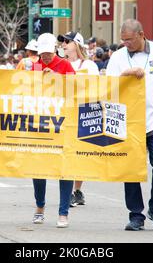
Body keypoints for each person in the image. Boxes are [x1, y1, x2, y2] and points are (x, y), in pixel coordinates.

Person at [106, 19, 153, 231]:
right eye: (123, 40)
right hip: (128, 121)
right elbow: (109, 86)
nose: (126, 44)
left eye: (129, 40)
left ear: (141, 34)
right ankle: (136, 215)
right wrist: (126, 74)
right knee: (131, 169)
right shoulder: (118, 57)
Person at [31, 32, 75, 228]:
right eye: (42, 54)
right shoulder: (36, 65)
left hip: (63, 121)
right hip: (41, 122)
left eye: (48, 53)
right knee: (38, 167)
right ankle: (39, 207)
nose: (45, 57)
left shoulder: (64, 65)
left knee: (65, 167)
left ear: (54, 50)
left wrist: (56, 78)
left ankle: (63, 212)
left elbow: (77, 88)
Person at [58, 30, 99, 207]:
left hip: (83, 111)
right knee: (65, 151)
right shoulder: (60, 64)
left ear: (77, 44)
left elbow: (96, 87)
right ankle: (68, 190)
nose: (64, 44)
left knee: (80, 152)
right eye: (63, 42)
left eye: (67, 41)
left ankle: (77, 190)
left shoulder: (89, 65)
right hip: (63, 112)